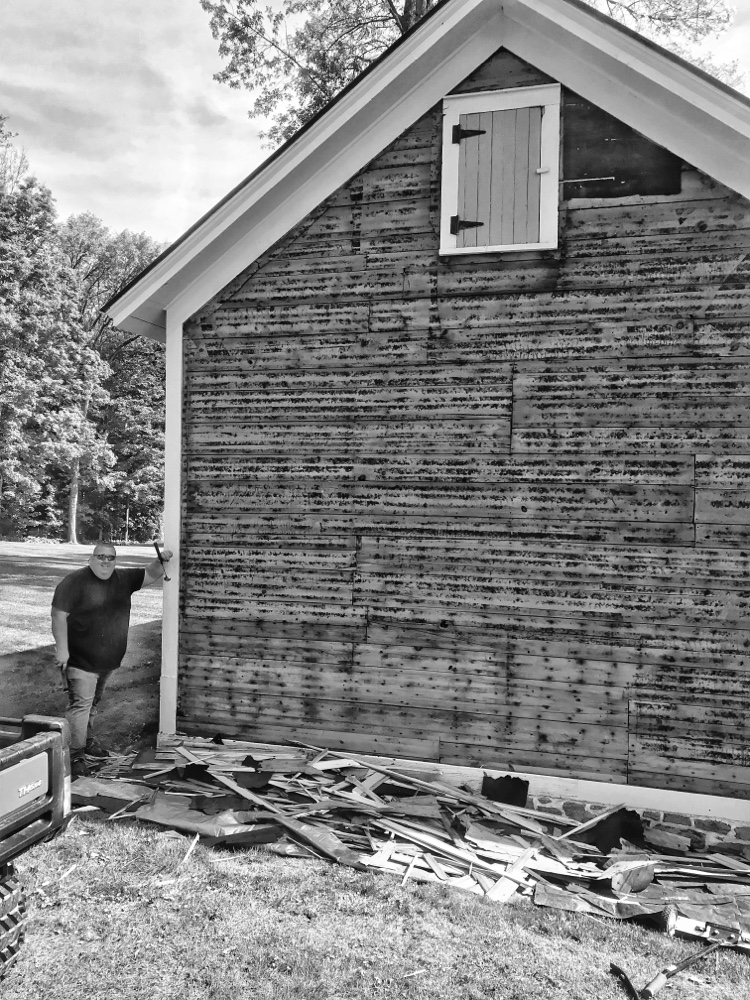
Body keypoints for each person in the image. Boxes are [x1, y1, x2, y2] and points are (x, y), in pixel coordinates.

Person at [51, 542, 172, 778]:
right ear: (91, 558)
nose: (105, 561)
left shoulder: (123, 579)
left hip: (108, 660)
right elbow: (58, 615)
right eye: (100, 556)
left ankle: (87, 743)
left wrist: (161, 561)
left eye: (110, 557)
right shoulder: (74, 582)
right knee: (81, 706)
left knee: (92, 704)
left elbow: (150, 574)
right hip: (80, 659)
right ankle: (74, 756)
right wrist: (62, 650)